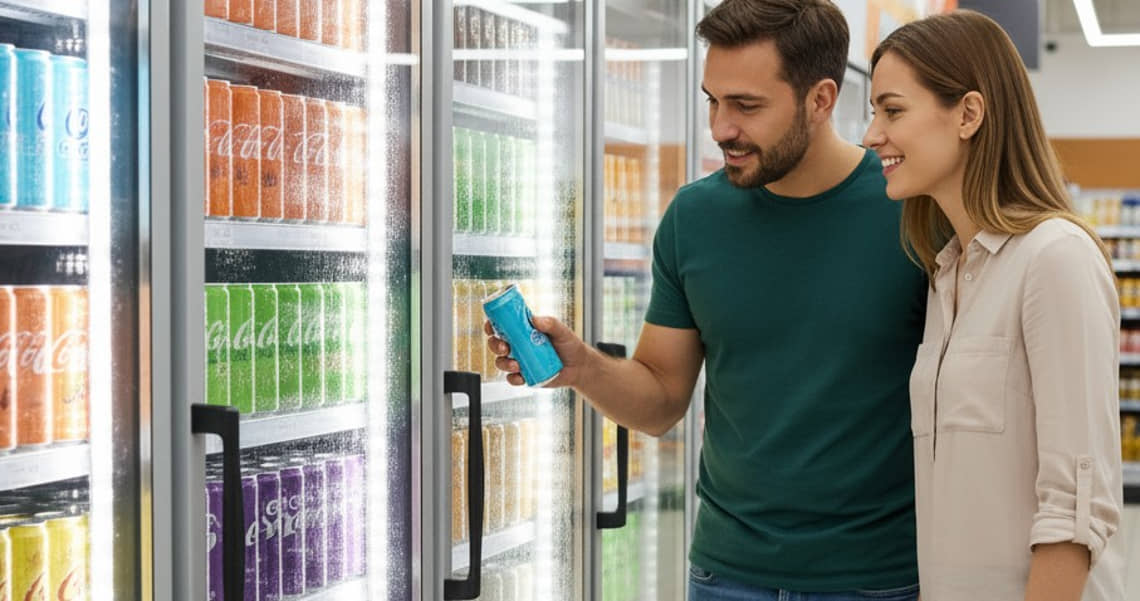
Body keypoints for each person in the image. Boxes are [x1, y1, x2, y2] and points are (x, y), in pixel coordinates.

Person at [486, 1, 927, 598]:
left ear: (821, 100)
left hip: (879, 581)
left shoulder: (913, 211)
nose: (720, 127)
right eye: (712, 101)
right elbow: (663, 397)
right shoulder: (693, 219)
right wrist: (581, 367)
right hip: (727, 575)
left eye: (746, 105)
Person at [862, 10, 1124, 601]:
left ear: (969, 114)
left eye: (892, 110)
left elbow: (1075, 512)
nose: (871, 133)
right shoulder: (947, 274)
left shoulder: (1054, 258)